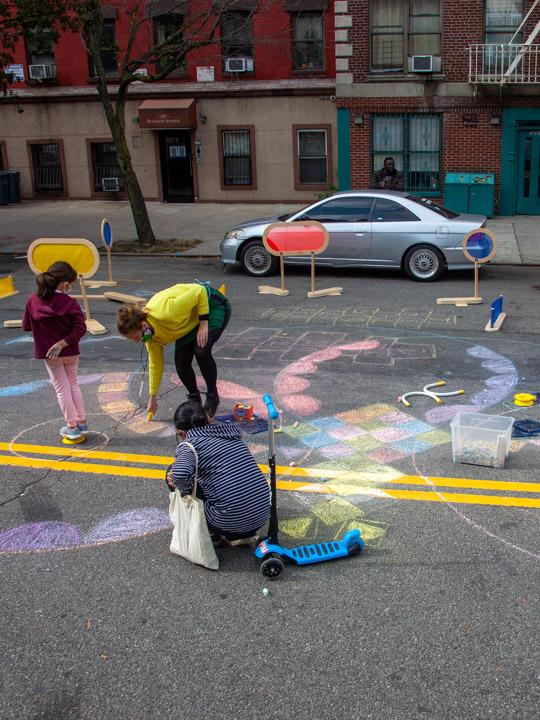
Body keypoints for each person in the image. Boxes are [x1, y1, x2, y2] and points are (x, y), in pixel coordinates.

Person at [117, 282, 230, 419]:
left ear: (143, 324)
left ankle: (213, 396)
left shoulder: (166, 312)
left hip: (212, 305)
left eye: (135, 337)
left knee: (201, 350)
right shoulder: (150, 337)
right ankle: (195, 400)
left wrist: (203, 323)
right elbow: (155, 364)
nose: (136, 341)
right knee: (181, 363)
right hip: (190, 320)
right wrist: (152, 397)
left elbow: (199, 291)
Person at [165, 400, 270, 545]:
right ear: (208, 418)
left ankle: (213, 532)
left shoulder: (190, 445)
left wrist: (184, 492)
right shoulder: (230, 435)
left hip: (227, 520)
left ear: (181, 432)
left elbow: (181, 474)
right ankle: (240, 534)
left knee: (172, 471)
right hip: (261, 516)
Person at [22, 261, 88, 441]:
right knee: (73, 384)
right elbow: (80, 328)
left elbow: (26, 326)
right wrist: (63, 342)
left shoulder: (33, 300)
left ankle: (72, 427)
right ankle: (82, 423)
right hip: (70, 350)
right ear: (65, 284)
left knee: (61, 389)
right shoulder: (70, 302)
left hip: (50, 353)